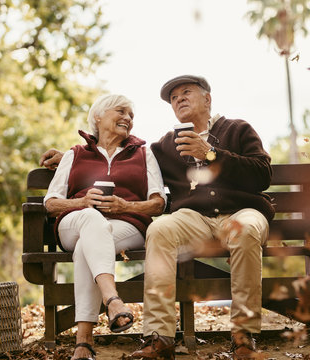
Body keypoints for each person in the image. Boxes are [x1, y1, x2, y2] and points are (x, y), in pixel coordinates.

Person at [40, 75, 274, 359]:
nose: (180, 100)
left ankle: (242, 335)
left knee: (246, 229)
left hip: (241, 212)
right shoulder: (166, 145)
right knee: (160, 229)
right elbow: (120, 155)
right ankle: (159, 337)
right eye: (174, 98)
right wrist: (71, 156)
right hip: (194, 217)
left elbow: (262, 174)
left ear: (207, 99)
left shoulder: (238, 129)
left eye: (187, 93)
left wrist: (212, 155)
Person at [42, 94, 166, 360]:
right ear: (98, 116)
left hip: (127, 226)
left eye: (131, 115)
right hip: (74, 222)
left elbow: (158, 204)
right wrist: (82, 201)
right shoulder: (75, 154)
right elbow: (51, 204)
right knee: (91, 219)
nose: (128, 118)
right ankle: (113, 300)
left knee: (87, 246)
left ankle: (84, 341)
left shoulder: (144, 154)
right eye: (121, 111)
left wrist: (126, 207)